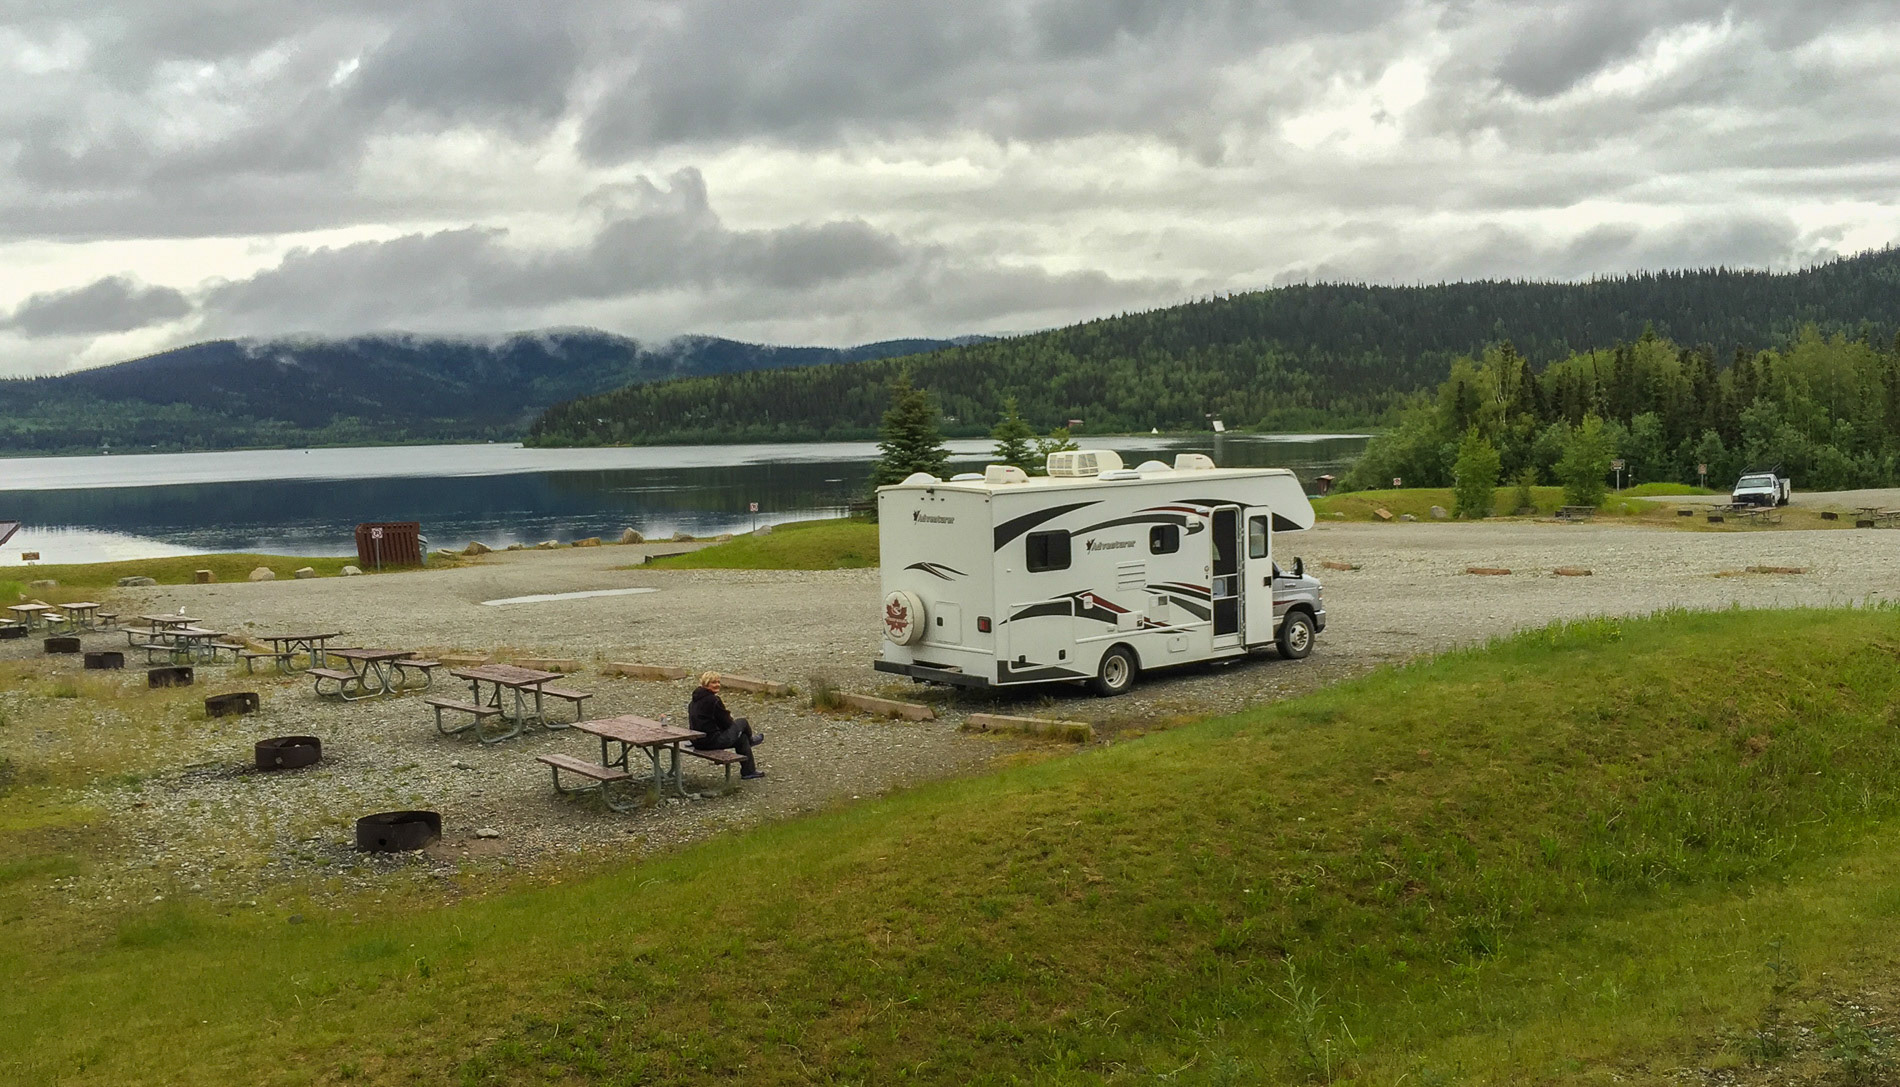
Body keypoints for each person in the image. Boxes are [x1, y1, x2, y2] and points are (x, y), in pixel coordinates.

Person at [688, 672, 765, 780]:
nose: (717, 685)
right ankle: (751, 740)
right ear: (705, 684)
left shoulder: (694, 701)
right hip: (711, 741)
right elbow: (726, 722)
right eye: (713, 682)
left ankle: (749, 771)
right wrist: (732, 728)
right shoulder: (713, 700)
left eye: (718, 682)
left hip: (697, 741)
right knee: (742, 722)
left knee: (742, 738)